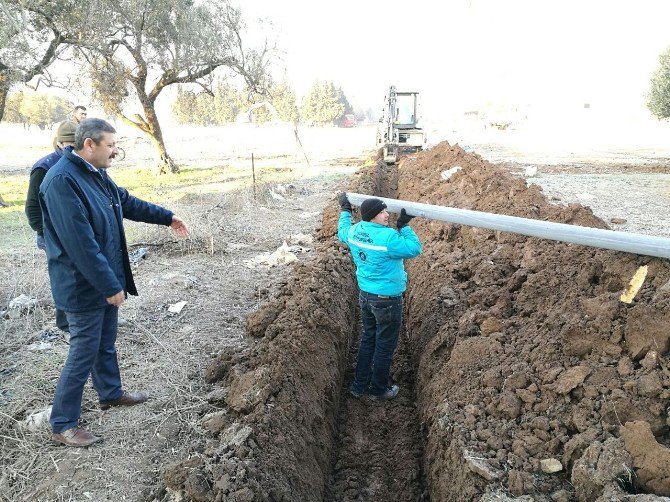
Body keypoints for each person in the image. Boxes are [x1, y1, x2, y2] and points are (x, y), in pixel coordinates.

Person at [39, 118, 189, 447]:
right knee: (83, 351)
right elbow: (81, 245)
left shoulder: (95, 174)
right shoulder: (62, 182)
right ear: (88, 144)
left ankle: (110, 394)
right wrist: (110, 285)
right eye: (110, 144)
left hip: (101, 278)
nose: (115, 150)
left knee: (104, 343)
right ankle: (63, 423)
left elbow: (126, 202)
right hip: (81, 285)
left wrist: (166, 216)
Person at [337, 194, 422, 400]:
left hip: (366, 297)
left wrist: (345, 211)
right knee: (384, 345)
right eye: (382, 212)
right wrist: (404, 227)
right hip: (387, 301)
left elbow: (342, 231)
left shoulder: (355, 232)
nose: (387, 215)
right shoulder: (389, 238)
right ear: (373, 216)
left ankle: (359, 386)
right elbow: (414, 249)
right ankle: (378, 389)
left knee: (368, 339)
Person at [25, 121, 78, 332]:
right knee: (64, 275)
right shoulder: (44, 167)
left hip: (72, 232)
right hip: (53, 235)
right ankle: (65, 323)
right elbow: (32, 208)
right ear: (61, 142)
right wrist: (48, 234)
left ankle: (79, 318)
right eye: (71, 144)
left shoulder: (78, 161)